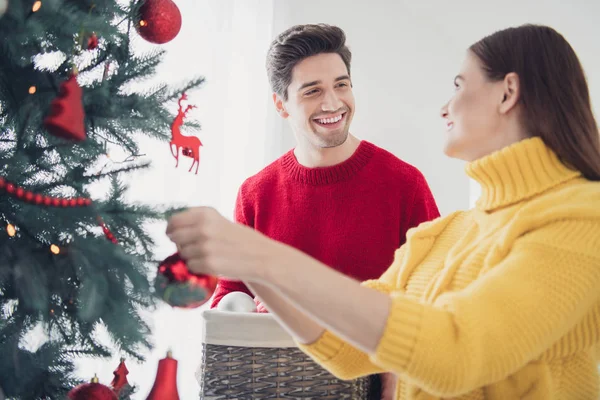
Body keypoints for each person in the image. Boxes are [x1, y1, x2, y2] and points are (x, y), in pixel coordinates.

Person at [167, 24, 600, 400]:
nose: (445, 107)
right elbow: (347, 348)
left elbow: (457, 350)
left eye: (457, 84)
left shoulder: (582, 219)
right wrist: (253, 267)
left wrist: (264, 258)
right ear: (282, 103)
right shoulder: (451, 232)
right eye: (313, 89)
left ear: (508, 92)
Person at [209, 24, 439, 399]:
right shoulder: (255, 194)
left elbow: (434, 297)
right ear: (281, 104)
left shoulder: (405, 184)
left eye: (342, 85)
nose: (332, 103)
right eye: (313, 91)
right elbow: (230, 296)